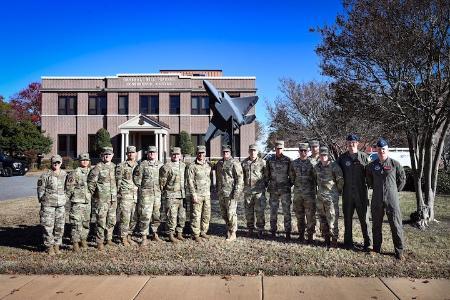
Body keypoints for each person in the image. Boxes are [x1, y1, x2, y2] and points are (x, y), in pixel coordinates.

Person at [366, 138, 406, 260]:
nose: (381, 151)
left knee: (396, 224)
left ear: (387, 150)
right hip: (377, 198)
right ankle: (376, 248)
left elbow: (402, 179)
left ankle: (399, 251)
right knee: (376, 225)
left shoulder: (395, 164)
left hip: (392, 199)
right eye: (379, 149)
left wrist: (394, 190)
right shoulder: (372, 166)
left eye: (383, 149)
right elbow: (369, 180)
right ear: (377, 150)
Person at [337, 134, 372, 250]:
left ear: (357, 143)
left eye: (353, 142)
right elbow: (334, 171)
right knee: (347, 218)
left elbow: (371, 174)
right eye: (349, 142)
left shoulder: (364, 157)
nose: (351, 144)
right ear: (346, 144)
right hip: (347, 193)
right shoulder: (342, 158)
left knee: (364, 219)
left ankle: (368, 243)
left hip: (361, 193)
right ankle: (348, 242)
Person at [37, 154, 68, 255]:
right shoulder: (45, 175)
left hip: (61, 205)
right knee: (48, 226)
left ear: (61, 163)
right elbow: (40, 190)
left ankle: (57, 245)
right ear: (51, 163)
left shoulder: (65, 175)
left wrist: (65, 198)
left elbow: (69, 188)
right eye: (54, 162)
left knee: (60, 226)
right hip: (48, 205)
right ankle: (49, 246)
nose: (56, 164)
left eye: (58, 162)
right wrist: (43, 201)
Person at [87, 146, 117, 250]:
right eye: (105, 155)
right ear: (102, 156)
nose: (107, 156)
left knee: (111, 220)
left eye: (109, 154)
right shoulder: (97, 167)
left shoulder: (114, 166)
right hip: (101, 200)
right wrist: (94, 197)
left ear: (112, 156)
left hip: (113, 199)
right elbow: (91, 184)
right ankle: (99, 241)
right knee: (101, 220)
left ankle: (109, 239)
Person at [314, 146, 344, 248]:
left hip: (331, 198)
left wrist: (336, 193)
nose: (323, 157)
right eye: (321, 155)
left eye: (325, 155)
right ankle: (326, 240)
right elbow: (314, 180)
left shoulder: (334, 166)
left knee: (332, 220)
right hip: (320, 198)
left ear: (328, 155)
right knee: (322, 220)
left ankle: (334, 241)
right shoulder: (317, 167)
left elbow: (340, 181)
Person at [133, 146, 163, 246]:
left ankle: (155, 234)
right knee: (145, 215)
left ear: (156, 153)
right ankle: (144, 236)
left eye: (154, 152)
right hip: (146, 195)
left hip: (157, 194)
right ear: (147, 153)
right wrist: (143, 188)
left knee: (156, 215)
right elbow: (137, 179)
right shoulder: (142, 165)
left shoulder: (160, 165)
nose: (152, 154)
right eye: (150, 152)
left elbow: (164, 178)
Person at [215, 145, 244, 242]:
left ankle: (233, 232)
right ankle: (228, 229)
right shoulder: (219, 163)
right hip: (221, 193)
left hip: (231, 193)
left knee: (231, 213)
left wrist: (236, 192)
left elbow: (239, 179)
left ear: (230, 153)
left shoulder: (235, 163)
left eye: (227, 152)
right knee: (224, 214)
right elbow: (218, 178)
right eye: (224, 152)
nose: (225, 154)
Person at [266, 140, 293, 240]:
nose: (279, 150)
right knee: (273, 211)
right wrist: (267, 183)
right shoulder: (270, 160)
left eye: (280, 148)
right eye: (277, 148)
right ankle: (273, 230)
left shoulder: (288, 160)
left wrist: (288, 184)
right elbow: (267, 174)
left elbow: (292, 175)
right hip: (273, 189)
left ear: (283, 149)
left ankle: (287, 232)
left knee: (286, 211)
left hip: (285, 190)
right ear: (275, 149)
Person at [290, 143, 316, 243]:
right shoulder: (294, 163)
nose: (303, 152)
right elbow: (292, 177)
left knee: (310, 216)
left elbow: (316, 178)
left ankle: (310, 235)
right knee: (299, 215)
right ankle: (301, 234)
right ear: (299, 151)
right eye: (301, 151)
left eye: (305, 151)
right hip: (297, 194)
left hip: (309, 194)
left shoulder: (312, 163)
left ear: (308, 151)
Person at [159, 147, 186, 243]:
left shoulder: (183, 166)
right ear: (171, 155)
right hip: (171, 195)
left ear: (180, 155)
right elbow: (162, 182)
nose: (175, 156)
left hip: (182, 195)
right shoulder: (166, 166)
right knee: (171, 216)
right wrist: (164, 192)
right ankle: (170, 234)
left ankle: (179, 233)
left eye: (177, 154)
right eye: (174, 154)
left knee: (182, 216)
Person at [186, 145, 212, 242]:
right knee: (196, 215)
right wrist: (193, 194)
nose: (201, 155)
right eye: (199, 153)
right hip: (197, 195)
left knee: (206, 214)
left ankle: (203, 231)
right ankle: (195, 234)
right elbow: (190, 181)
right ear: (196, 154)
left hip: (207, 194)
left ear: (205, 153)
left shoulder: (208, 165)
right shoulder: (192, 166)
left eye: (203, 153)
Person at [66, 153, 92, 252]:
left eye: (86, 160)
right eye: (82, 160)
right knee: (76, 223)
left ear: (89, 161)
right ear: (79, 161)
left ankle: (83, 240)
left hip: (87, 201)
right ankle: (75, 242)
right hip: (77, 202)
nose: (85, 162)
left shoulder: (91, 172)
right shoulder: (74, 173)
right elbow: (69, 188)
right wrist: (73, 197)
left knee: (86, 222)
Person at [241, 144, 267, 238]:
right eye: (251, 150)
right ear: (249, 151)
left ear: (257, 151)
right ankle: (250, 229)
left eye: (254, 150)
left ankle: (260, 230)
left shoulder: (263, 162)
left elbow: (267, 176)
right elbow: (242, 176)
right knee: (248, 212)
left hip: (259, 192)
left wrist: (263, 185)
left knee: (260, 212)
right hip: (248, 192)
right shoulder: (244, 163)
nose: (253, 152)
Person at [115, 146, 139, 246]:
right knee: (125, 217)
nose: (131, 154)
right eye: (129, 153)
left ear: (136, 153)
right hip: (125, 195)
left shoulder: (139, 165)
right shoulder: (121, 166)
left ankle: (129, 235)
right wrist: (119, 194)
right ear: (126, 154)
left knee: (134, 217)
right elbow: (118, 181)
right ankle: (123, 237)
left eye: (133, 152)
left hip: (136, 195)